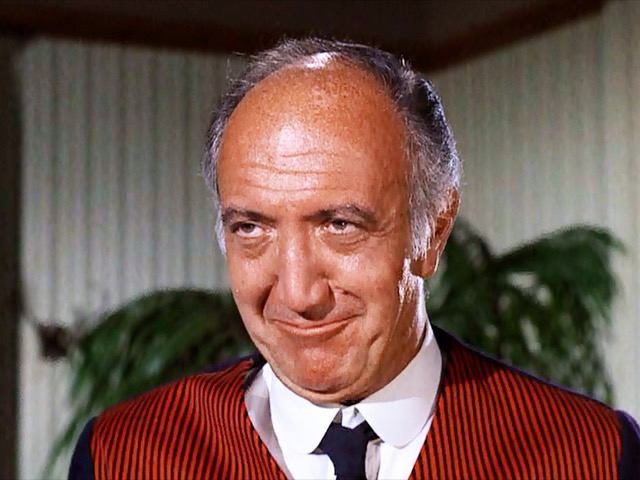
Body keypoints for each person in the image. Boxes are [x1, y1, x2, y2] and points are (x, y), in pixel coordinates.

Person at [69, 38, 640, 480]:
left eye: (339, 226)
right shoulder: (124, 456)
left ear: (433, 232)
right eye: (252, 228)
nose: (297, 293)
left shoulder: (592, 456)